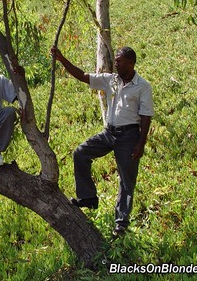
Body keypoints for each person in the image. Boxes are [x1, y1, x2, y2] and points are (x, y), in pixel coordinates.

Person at [51, 45, 154, 237]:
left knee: (126, 180)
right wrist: (62, 59)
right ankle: (88, 198)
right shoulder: (111, 80)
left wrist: (141, 143)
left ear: (131, 63)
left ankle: (121, 224)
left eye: (119, 61)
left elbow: (146, 116)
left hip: (129, 136)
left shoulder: (143, 86)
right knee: (81, 153)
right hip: (109, 133)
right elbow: (82, 76)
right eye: (115, 60)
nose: (115, 63)